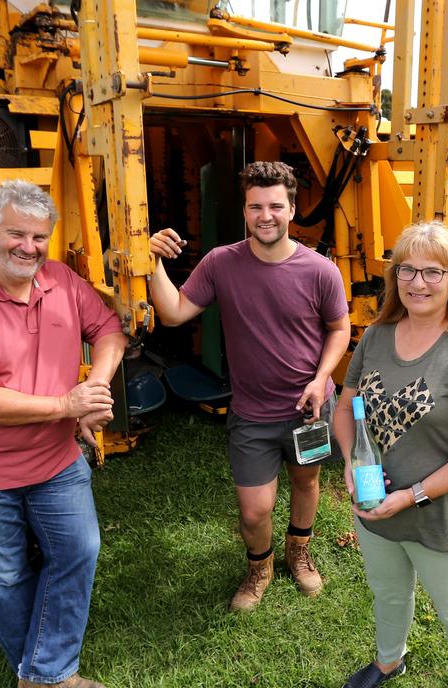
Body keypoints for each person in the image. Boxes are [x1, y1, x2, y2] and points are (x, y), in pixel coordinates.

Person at [0, 180, 127, 688]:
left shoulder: (60, 280)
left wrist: (94, 389)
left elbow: (109, 331)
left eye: (39, 237)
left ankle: (39, 675)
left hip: (55, 459)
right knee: (5, 578)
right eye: (16, 234)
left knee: (78, 551)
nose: (28, 248)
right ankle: (51, 677)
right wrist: (65, 405)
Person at [148, 160, 351, 611]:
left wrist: (322, 380)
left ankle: (299, 554)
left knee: (307, 481)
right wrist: (152, 262)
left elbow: (340, 328)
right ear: (244, 211)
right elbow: (174, 312)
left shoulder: (321, 271)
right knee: (255, 510)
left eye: (276, 206)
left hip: (308, 409)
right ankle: (259, 567)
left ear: (293, 209)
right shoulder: (222, 263)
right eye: (255, 206)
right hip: (252, 414)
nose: (266, 215)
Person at [332, 221, 448, 688]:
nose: (418, 283)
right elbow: (345, 408)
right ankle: (390, 660)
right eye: (407, 271)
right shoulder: (375, 336)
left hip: (441, 514)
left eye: (433, 272)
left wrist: (411, 496)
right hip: (375, 504)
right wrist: (352, 461)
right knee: (388, 592)